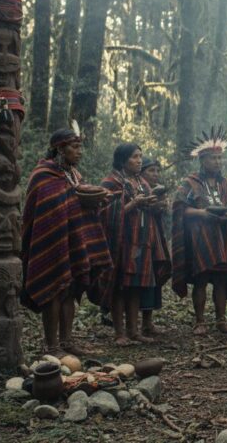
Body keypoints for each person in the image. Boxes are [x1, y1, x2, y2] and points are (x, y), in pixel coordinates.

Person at [20, 126, 112, 355]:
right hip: (51, 242)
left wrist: (97, 202)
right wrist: (76, 199)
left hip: (72, 241)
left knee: (70, 289)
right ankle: (51, 346)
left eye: (81, 147)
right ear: (59, 149)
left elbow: (76, 203)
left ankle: (67, 341)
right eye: (74, 147)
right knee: (54, 289)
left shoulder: (72, 174)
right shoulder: (43, 175)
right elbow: (48, 209)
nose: (79, 152)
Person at [171, 128, 227, 336]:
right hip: (200, 238)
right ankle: (200, 321)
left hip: (223, 239)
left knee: (221, 279)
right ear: (203, 160)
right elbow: (179, 207)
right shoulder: (191, 182)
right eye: (213, 158)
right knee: (202, 279)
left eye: (221, 158)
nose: (218, 162)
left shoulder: (226, 184)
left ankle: (221, 320)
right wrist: (202, 213)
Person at [100, 144, 171, 345]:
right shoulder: (111, 182)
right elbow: (104, 212)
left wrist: (159, 205)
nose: (139, 160)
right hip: (121, 242)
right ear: (123, 160)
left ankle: (134, 331)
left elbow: (151, 209)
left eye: (140, 156)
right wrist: (133, 204)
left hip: (142, 241)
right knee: (120, 286)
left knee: (136, 287)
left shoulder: (142, 182)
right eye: (134, 157)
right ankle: (119, 334)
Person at [138, 157, 169, 337]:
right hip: (140, 237)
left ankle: (147, 323)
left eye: (158, 171)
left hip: (155, 237)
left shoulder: (158, 190)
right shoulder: (137, 187)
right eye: (151, 171)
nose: (155, 174)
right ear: (142, 172)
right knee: (140, 278)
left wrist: (162, 206)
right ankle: (133, 325)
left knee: (155, 276)